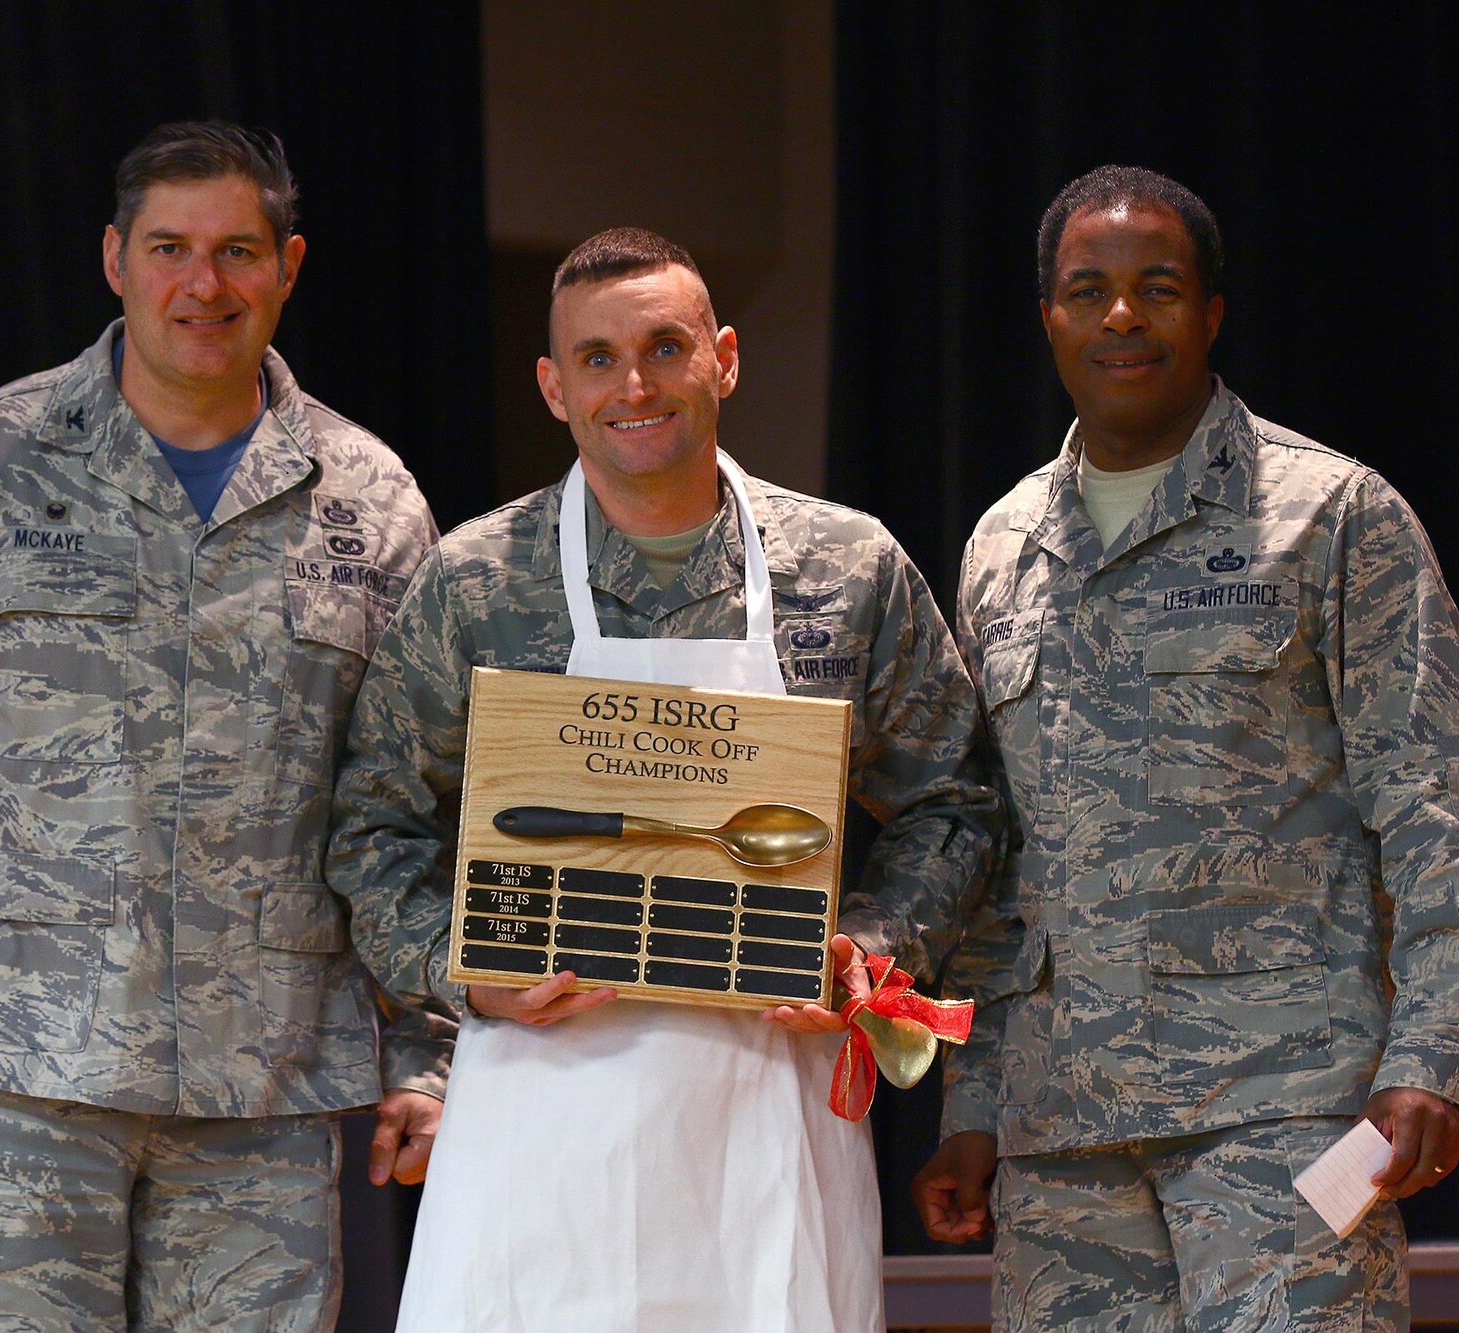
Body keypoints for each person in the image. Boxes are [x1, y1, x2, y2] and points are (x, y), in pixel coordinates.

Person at [0, 120, 448, 1332]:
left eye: (238, 250)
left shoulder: (371, 501)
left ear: (288, 265)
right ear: (114, 259)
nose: (203, 283)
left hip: (261, 1097)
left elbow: (415, 805)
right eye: (170, 247)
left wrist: (432, 1053)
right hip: (9, 1080)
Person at [325, 227, 999, 1332]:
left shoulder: (846, 567)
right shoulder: (476, 583)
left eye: (664, 347)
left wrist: (872, 950)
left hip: (770, 1098)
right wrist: (464, 971)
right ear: (551, 386)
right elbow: (371, 828)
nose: (632, 385)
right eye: (595, 358)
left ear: (723, 358)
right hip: (539, 1105)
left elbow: (956, 803)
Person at [911, 165, 1459, 1330]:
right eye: (1084, 290)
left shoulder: (1330, 515)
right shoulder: (1000, 547)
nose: (1119, 316)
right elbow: (998, 867)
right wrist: (973, 1105)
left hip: (1284, 1112)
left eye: (1155, 287)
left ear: (1207, 313)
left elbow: (1444, 810)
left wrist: (1434, 1058)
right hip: (1063, 1141)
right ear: (1046, 316)